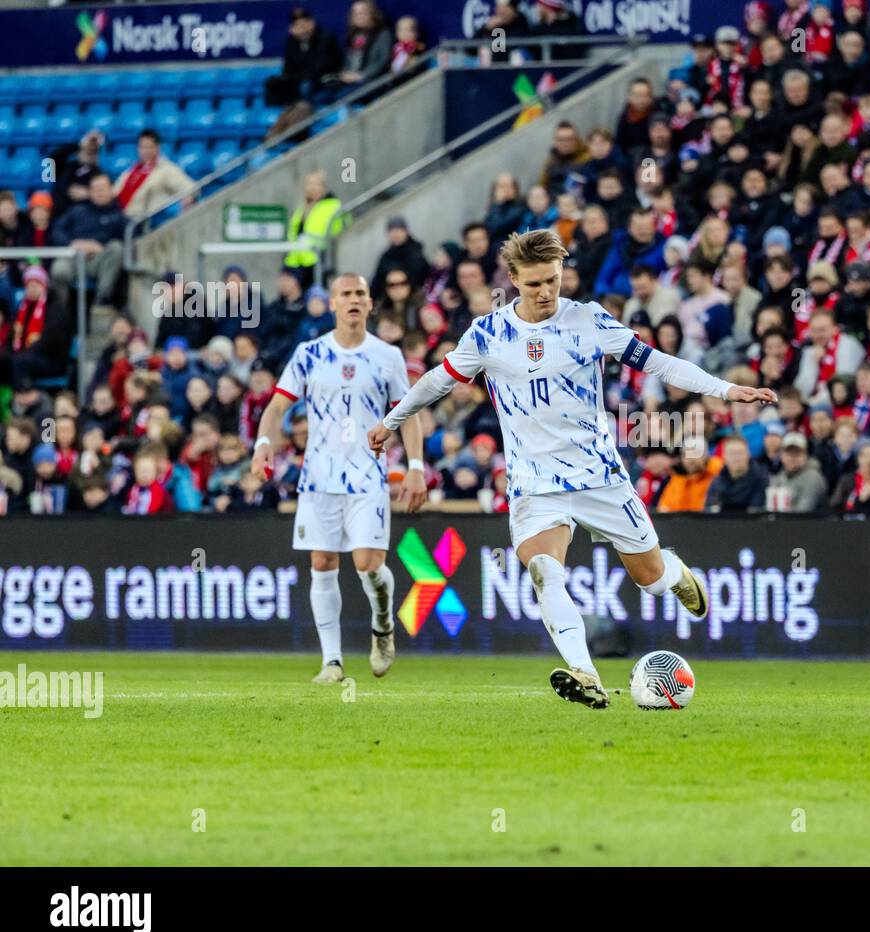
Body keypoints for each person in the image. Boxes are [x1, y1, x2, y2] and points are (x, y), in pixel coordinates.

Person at [369, 229, 775, 708]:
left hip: (598, 475)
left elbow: (660, 364)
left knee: (649, 578)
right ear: (514, 279)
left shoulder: (588, 320)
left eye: (554, 281)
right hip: (533, 483)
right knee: (544, 570)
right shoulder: (488, 334)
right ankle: (585, 673)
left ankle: (675, 573)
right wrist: (391, 421)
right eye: (535, 283)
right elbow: (436, 381)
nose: (545, 292)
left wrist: (727, 390)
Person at [251, 274, 427, 684]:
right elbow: (277, 408)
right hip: (318, 475)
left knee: (368, 563)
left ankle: (382, 626)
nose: (353, 300)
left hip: (368, 473)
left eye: (360, 294)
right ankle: (332, 662)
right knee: (322, 561)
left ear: (369, 304)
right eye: (345, 294)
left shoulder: (387, 356)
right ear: (331, 303)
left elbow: (409, 413)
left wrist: (416, 467)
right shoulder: (309, 353)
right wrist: (263, 443)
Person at [49, 172, 126, 309]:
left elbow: (130, 239)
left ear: (111, 190)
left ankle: (101, 302)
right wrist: (71, 243)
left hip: (100, 260)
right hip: (74, 257)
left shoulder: (119, 216)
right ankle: (59, 312)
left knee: (116, 247)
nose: (99, 193)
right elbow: (57, 229)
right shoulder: (77, 210)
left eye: (102, 189)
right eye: (95, 190)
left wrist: (100, 247)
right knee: (59, 269)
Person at [113, 130, 195, 219]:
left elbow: (190, 189)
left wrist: (186, 202)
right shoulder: (130, 172)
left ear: (158, 148)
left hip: (150, 222)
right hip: (123, 219)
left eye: (149, 147)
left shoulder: (167, 169)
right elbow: (114, 194)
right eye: (142, 147)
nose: (146, 151)